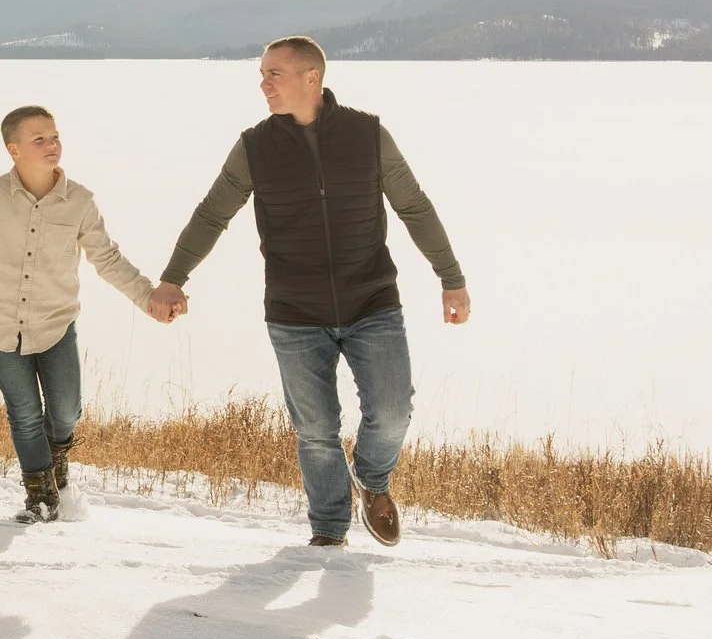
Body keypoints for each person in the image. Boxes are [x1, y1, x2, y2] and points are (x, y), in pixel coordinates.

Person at [148, 36, 470, 547]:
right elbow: (213, 213)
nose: (263, 84)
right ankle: (328, 531)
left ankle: (373, 480)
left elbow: (414, 206)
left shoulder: (367, 134)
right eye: (261, 73)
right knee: (316, 429)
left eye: (273, 73)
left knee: (392, 411)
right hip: (294, 312)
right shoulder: (255, 146)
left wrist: (451, 279)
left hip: (372, 301)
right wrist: (173, 278)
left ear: (310, 76)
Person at [0, 105, 163, 523]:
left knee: (65, 410)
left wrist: (148, 298)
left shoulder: (80, 201)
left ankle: (58, 462)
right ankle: (40, 499)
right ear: (13, 149)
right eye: (39, 139)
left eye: (54, 136)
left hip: (56, 325)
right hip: (0, 326)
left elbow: (107, 259)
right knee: (23, 415)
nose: (51, 145)